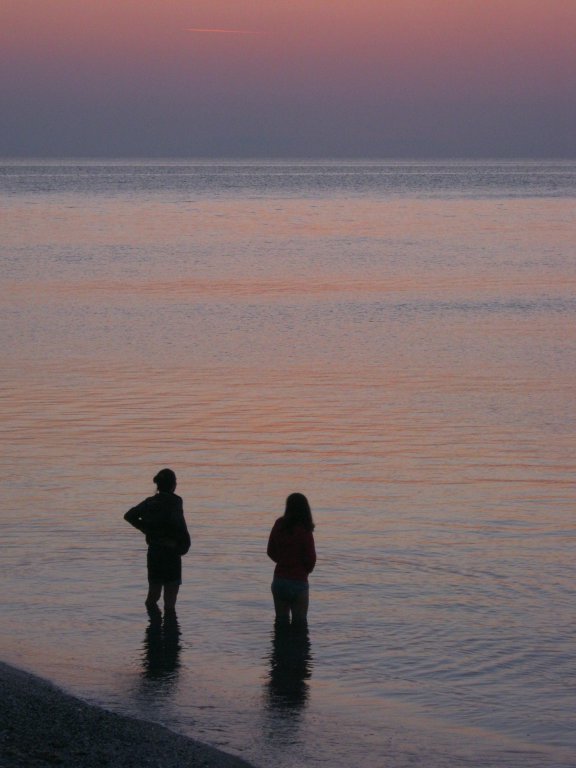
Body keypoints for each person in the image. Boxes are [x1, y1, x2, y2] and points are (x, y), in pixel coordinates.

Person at [124, 468, 190, 614]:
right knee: (170, 603)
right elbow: (181, 528)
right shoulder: (176, 502)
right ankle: (168, 628)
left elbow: (129, 515)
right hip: (171, 554)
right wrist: (182, 547)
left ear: (158, 485)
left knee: (152, 597)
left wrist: (147, 529)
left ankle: (152, 626)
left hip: (154, 553)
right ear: (173, 485)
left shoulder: (150, 502)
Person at [267, 493, 316, 624]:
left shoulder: (279, 524)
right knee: (300, 625)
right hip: (298, 581)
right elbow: (311, 559)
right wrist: (304, 570)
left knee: (280, 622)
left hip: (279, 580)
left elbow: (270, 551)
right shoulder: (304, 529)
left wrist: (283, 562)